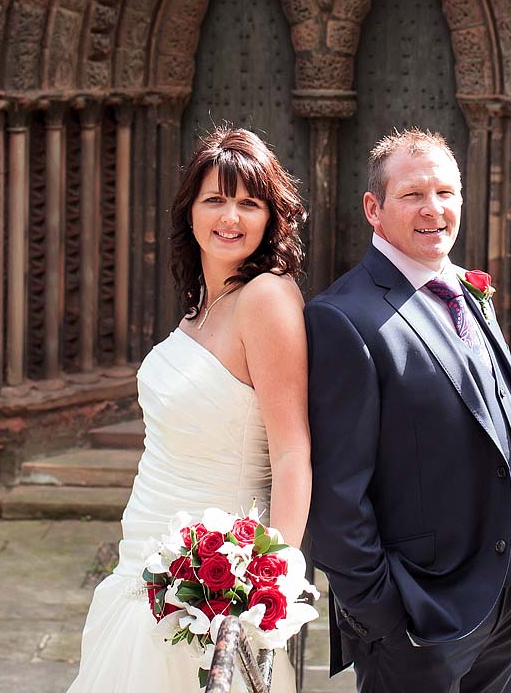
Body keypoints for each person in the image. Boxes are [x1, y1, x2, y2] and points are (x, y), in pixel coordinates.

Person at [305, 129, 511, 693]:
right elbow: (335, 496)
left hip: (505, 597)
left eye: (446, 193)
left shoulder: (464, 289)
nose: (435, 209)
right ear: (373, 209)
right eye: (413, 195)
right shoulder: (342, 318)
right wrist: (383, 617)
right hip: (420, 620)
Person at [68, 127, 310, 692]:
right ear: (190, 212)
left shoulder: (266, 298)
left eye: (249, 203)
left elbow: (294, 450)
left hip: (215, 576)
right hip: (146, 546)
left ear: (271, 217)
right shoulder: (206, 304)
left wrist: (274, 581)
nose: (231, 217)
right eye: (215, 199)